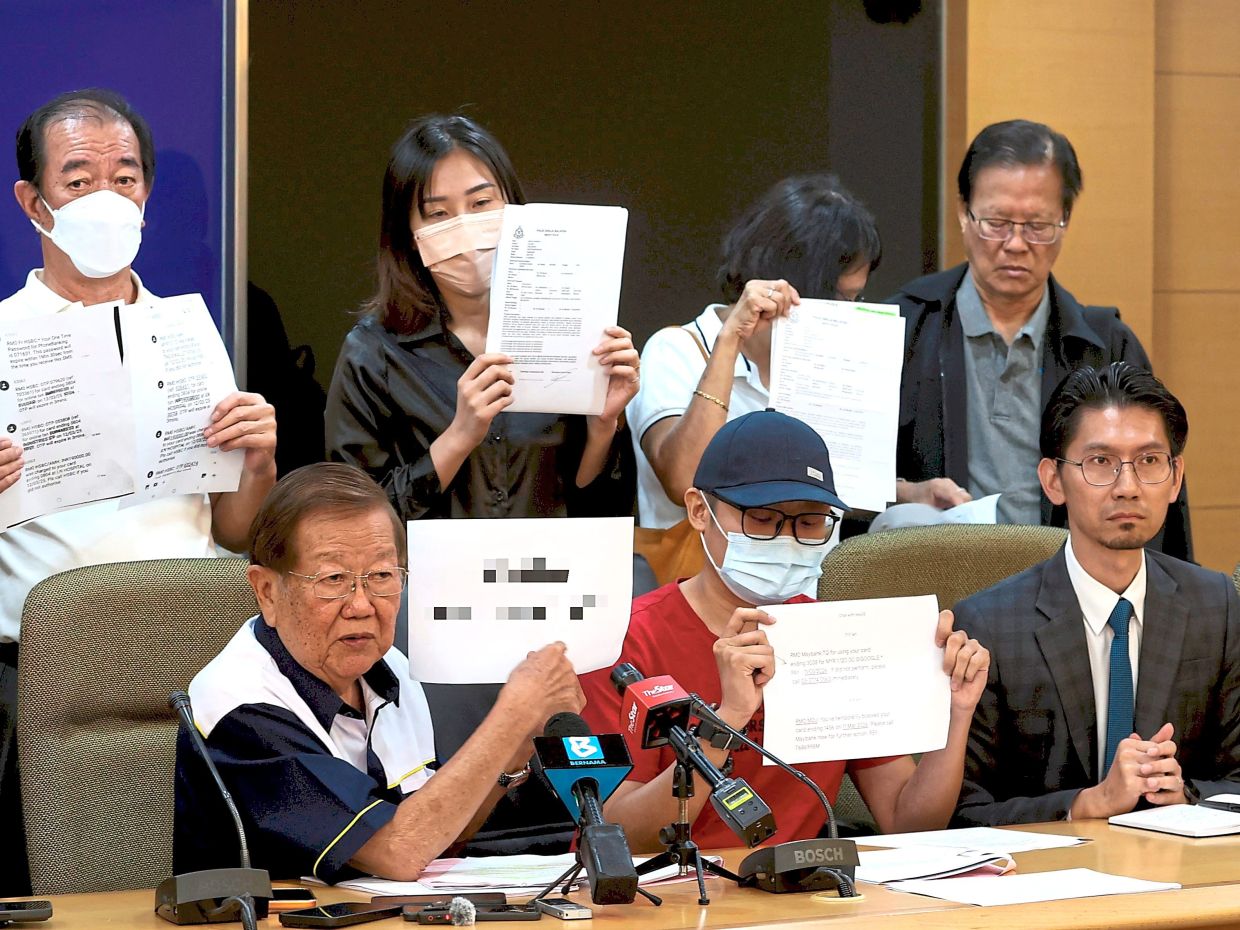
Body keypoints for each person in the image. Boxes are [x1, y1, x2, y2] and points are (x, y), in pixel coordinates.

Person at [0, 88, 277, 894]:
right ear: (33, 201)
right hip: (45, 671)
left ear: (146, 195)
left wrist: (257, 462)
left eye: (124, 178)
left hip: (193, 660)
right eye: (78, 179)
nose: (106, 198)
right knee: (58, 885)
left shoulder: (191, 333)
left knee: (200, 884)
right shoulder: (4, 335)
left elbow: (233, 531)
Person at [579, 410, 990, 850]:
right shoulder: (619, 644)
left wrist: (957, 712)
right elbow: (615, 838)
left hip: (800, 897)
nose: (787, 539)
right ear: (700, 511)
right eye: (762, 518)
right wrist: (727, 719)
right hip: (666, 900)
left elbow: (907, 822)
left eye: (810, 522)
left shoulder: (833, 639)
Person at [173, 463, 585, 882]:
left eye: (382, 576)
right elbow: (397, 850)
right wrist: (510, 715)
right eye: (333, 579)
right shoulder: (240, 704)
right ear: (267, 592)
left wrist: (518, 744)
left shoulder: (391, 670)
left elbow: (437, 833)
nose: (362, 605)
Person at [886, 119, 1191, 559]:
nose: (1015, 243)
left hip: (1072, 594)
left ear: (1065, 221)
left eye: (1037, 225)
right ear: (963, 212)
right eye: (996, 222)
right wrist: (905, 494)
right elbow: (840, 487)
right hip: (938, 589)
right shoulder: (905, 327)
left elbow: (1158, 489)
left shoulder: (1104, 346)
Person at [954, 363, 1240, 826]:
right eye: (1100, 462)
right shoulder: (989, 624)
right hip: (1046, 885)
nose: (1127, 487)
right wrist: (1084, 805)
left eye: (1149, 461)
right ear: (1052, 481)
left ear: (1175, 477)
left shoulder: (1217, 604)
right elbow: (961, 813)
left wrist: (1184, 794)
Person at [325, 113, 638, 522]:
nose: (467, 229)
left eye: (481, 204)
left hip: (550, 577)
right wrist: (458, 436)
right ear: (409, 234)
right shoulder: (373, 353)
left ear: (514, 207)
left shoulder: (576, 331)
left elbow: (605, 516)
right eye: (438, 215)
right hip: (426, 583)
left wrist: (603, 425)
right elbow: (353, 522)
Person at [629, 174, 880, 528]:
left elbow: (839, 481)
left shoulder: (828, 363)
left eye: (856, 298)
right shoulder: (676, 350)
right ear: (789, 279)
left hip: (807, 572)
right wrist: (730, 343)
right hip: (699, 574)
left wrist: (907, 493)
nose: (847, 313)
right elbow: (683, 479)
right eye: (839, 298)